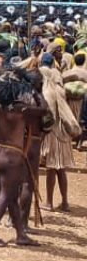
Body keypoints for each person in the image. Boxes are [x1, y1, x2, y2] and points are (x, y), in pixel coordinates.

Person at [0, 69, 44, 247]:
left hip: (0, 151)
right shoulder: (22, 110)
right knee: (7, 195)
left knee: (10, 197)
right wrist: (34, 90)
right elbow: (44, 110)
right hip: (13, 156)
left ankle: (20, 234)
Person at [40, 64, 79, 211]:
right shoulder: (61, 91)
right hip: (64, 135)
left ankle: (49, 202)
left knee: (51, 169)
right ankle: (65, 202)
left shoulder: (48, 92)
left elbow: (49, 117)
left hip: (53, 135)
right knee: (61, 170)